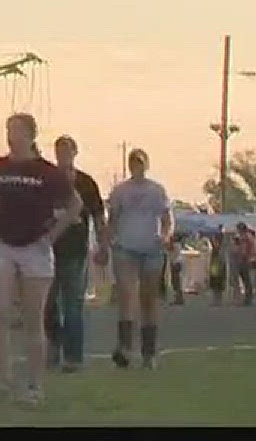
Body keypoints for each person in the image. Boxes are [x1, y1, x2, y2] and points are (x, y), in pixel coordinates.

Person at [0, 112, 81, 407]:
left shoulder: (46, 171)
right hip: (3, 245)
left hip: (35, 247)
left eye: (17, 130)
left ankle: (35, 384)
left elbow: (75, 205)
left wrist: (52, 236)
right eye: (9, 129)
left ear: (31, 135)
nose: (11, 135)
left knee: (33, 319)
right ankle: (3, 379)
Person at [41, 136, 106, 373]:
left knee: (73, 304)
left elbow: (99, 215)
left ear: (75, 153)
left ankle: (73, 356)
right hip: (49, 249)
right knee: (47, 303)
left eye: (67, 150)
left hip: (75, 250)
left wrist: (103, 245)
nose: (63, 155)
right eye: (59, 150)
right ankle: (54, 342)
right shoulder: (47, 179)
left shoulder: (86, 184)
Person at [105, 147, 174, 369]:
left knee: (149, 299)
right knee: (126, 295)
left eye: (141, 162)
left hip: (151, 247)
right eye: (134, 162)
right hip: (126, 247)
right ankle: (125, 347)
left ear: (146, 164)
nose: (137, 166)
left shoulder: (156, 191)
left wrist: (164, 237)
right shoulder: (120, 191)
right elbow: (113, 219)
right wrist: (107, 241)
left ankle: (149, 352)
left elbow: (166, 219)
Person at [232, 223, 256, 306]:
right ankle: (248, 298)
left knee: (246, 281)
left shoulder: (245, 238)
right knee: (248, 281)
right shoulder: (251, 237)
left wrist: (240, 256)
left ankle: (248, 299)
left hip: (245, 261)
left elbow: (243, 250)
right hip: (251, 260)